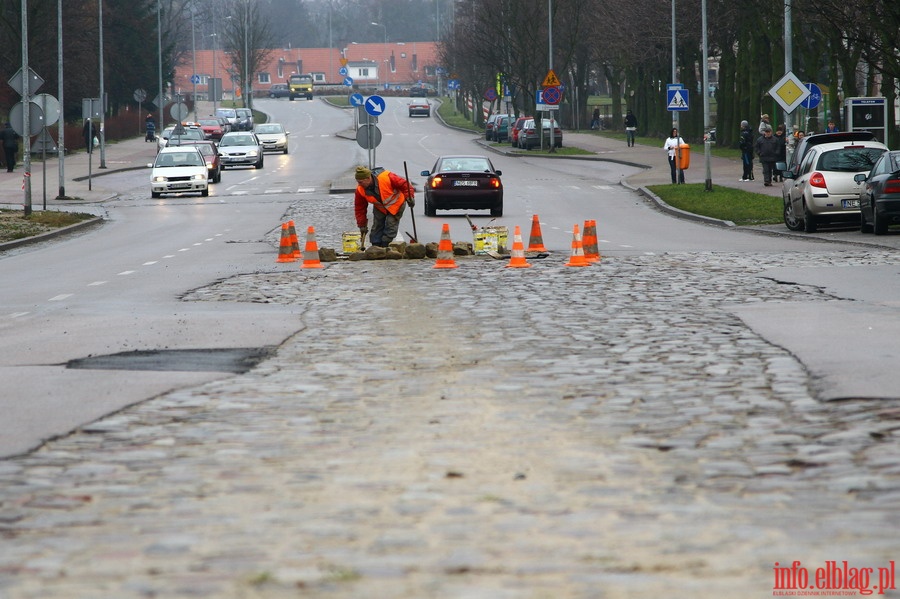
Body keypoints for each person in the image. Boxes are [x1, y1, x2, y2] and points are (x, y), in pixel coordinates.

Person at [354, 166, 415, 248]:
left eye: (361, 182)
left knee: (390, 225)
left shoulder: (386, 177)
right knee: (377, 226)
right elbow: (360, 208)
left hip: (396, 204)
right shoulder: (360, 190)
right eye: (358, 182)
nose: (359, 184)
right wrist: (362, 224)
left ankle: (385, 245)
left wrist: (409, 197)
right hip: (380, 207)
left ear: (368, 178)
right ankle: (376, 246)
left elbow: (405, 185)